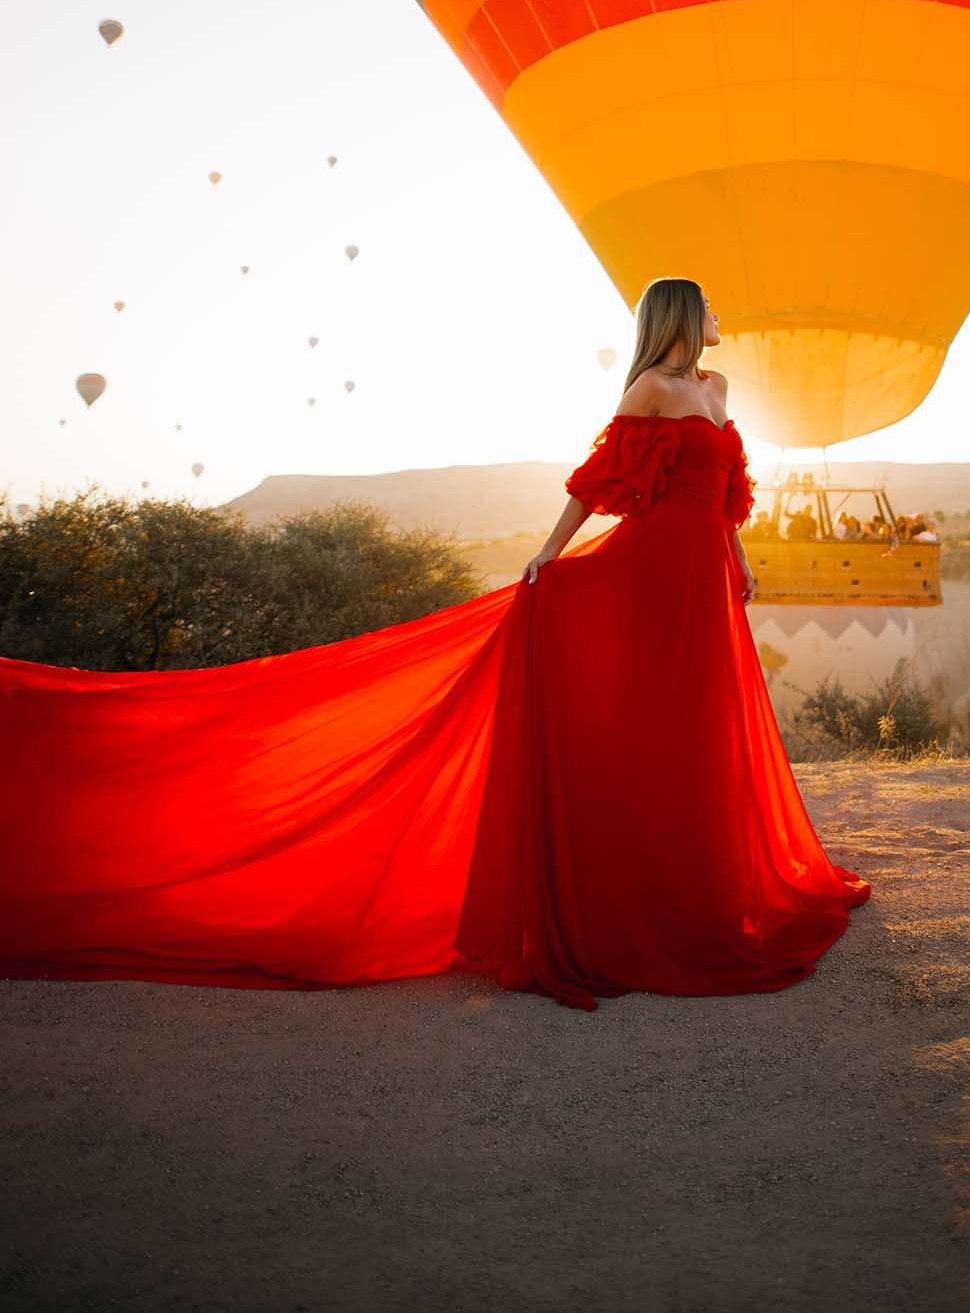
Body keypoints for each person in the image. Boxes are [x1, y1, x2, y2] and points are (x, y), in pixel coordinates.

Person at [0, 276, 869, 1013]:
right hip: (644, 576)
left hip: (705, 576)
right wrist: (545, 557)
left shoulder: (718, 393)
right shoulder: (648, 393)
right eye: (708, 308)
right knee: (650, 728)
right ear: (683, 317)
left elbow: (725, 493)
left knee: (702, 731)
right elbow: (594, 486)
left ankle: (707, 893)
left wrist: (739, 556)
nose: (720, 321)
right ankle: (637, 906)